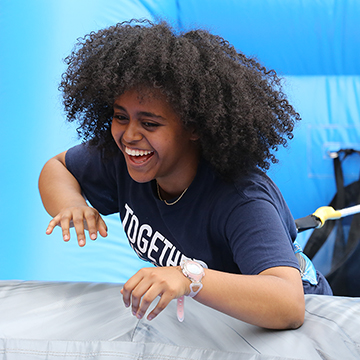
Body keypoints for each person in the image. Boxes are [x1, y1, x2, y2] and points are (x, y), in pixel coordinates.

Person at [39, 19, 332, 330]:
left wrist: (188, 277)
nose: (128, 135)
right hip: (218, 327)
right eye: (120, 117)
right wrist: (71, 203)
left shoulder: (241, 200)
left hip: (303, 330)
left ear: (194, 127)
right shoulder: (124, 161)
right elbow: (57, 167)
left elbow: (288, 304)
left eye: (149, 124)